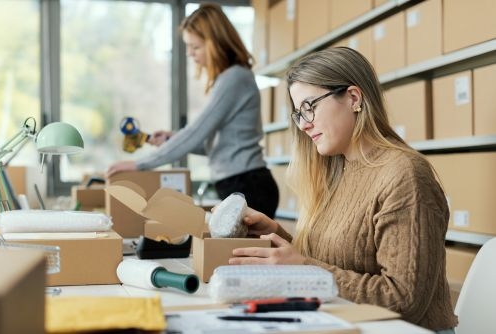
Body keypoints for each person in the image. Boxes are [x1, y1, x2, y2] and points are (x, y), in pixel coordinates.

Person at [228, 47, 458, 333]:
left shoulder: (405, 175)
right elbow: (335, 261)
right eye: (298, 113)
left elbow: (403, 300)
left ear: (353, 98)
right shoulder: (338, 169)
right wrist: (275, 235)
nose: (304, 124)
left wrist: (303, 269)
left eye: (310, 106)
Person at [106, 3, 279, 218]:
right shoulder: (229, 79)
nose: (189, 53)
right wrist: (172, 138)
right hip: (240, 183)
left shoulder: (234, 78)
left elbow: (196, 131)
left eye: (195, 47)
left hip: (248, 185)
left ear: (215, 43)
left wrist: (140, 164)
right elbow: (215, 145)